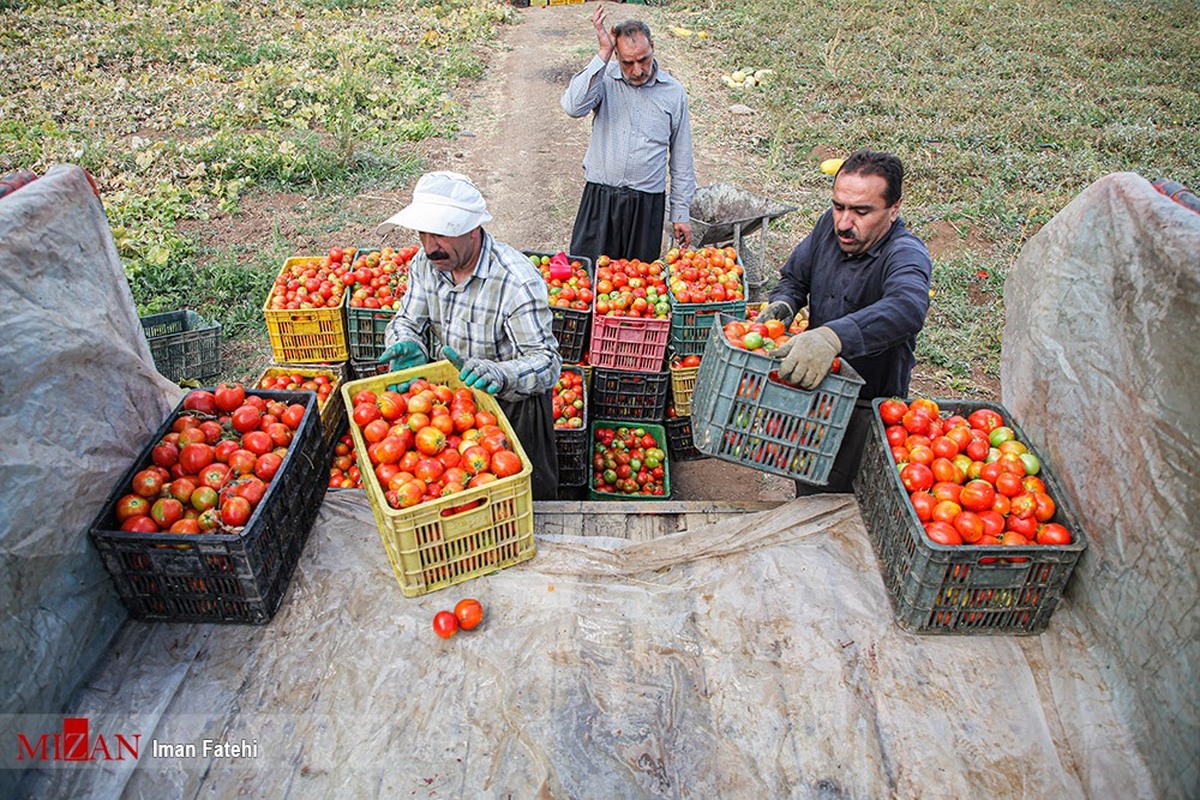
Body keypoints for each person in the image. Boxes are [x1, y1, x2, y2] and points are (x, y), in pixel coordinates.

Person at [376, 171, 562, 499]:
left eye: (442, 235)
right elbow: (407, 319)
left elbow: (547, 363)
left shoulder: (515, 282)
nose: (430, 246)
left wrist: (501, 373)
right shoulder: (425, 264)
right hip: (447, 410)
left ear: (473, 231)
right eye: (423, 233)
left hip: (511, 408)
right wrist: (405, 340)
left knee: (523, 495)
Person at [759, 149, 932, 494]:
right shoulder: (829, 227)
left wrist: (832, 338)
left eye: (861, 211)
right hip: (816, 387)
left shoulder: (906, 253)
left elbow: (907, 307)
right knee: (807, 479)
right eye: (839, 206)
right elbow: (795, 278)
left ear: (894, 210)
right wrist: (784, 304)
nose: (844, 222)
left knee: (843, 500)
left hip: (864, 407)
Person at [561, 4, 696, 265]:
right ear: (616, 57)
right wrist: (603, 53)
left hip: (646, 207)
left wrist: (681, 213)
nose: (637, 70)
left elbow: (681, 159)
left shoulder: (673, 93)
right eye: (627, 62)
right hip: (600, 200)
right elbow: (572, 106)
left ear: (653, 46)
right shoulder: (605, 79)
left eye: (643, 59)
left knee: (639, 289)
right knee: (589, 279)